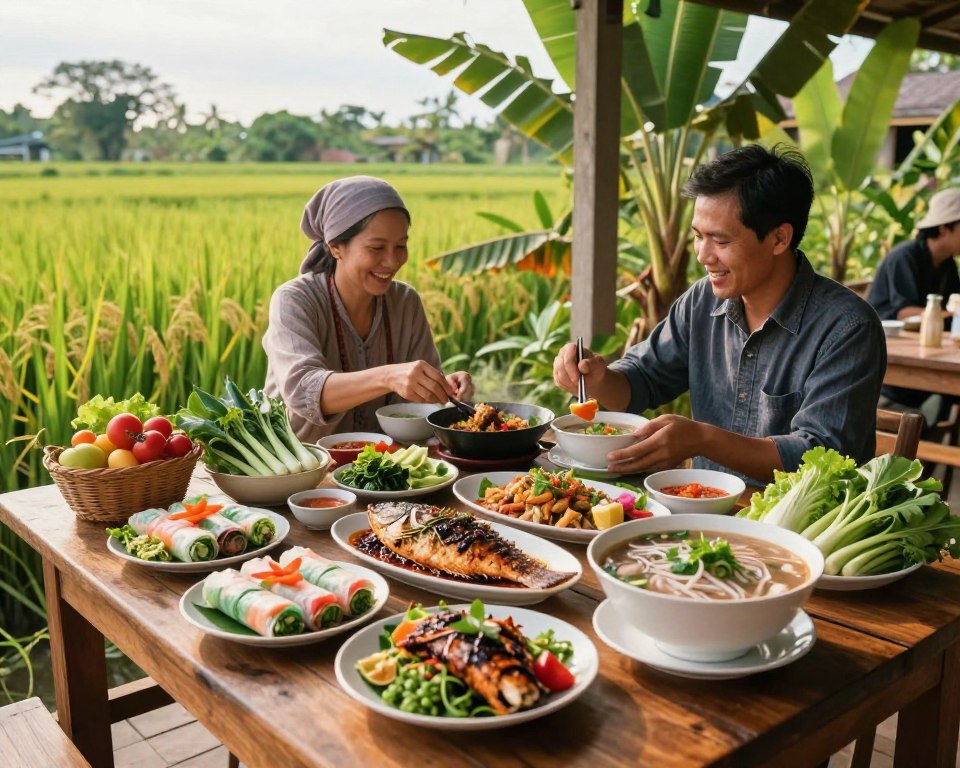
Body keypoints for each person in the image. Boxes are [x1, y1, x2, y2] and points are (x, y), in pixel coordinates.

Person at [553, 144, 885, 485]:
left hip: (802, 516)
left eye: (720, 241)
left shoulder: (847, 327)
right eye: (698, 237)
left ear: (779, 238)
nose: (703, 255)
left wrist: (702, 439)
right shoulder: (702, 301)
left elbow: (822, 457)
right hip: (700, 506)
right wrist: (597, 379)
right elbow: (641, 382)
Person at [263, 176, 472, 442]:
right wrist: (388, 377)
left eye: (401, 246)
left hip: (382, 461)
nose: (392, 261)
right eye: (376, 247)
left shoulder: (405, 301)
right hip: (303, 461)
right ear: (336, 247)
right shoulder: (294, 300)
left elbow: (419, 399)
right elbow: (303, 391)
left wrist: (445, 387)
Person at [867, 187, 960, 424]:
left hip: (931, 353)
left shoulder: (948, 265)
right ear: (944, 228)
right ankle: (921, 427)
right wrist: (951, 311)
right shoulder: (904, 256)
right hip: (887, 362)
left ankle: (933, 429)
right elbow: (905, 312)